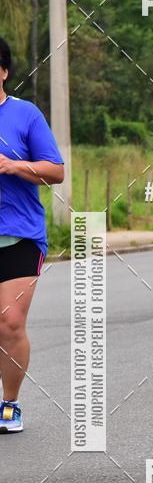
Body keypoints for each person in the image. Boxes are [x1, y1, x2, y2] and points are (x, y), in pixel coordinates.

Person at [0, 37, 64, 432]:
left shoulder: (25, 115)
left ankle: (10, 403)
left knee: (7, 322)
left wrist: (13, 166)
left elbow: (55, 171)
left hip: (19, 236)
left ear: (4, 71)